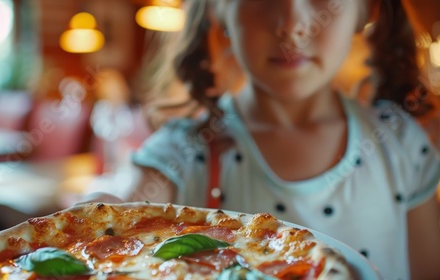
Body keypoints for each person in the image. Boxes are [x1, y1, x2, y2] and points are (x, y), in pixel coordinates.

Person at [82, 0, 440, 279]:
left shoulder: (401, 144)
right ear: (218, 9)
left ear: (366, 9)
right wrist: (95, 213)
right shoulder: (188, 149)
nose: (292, 25)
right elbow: (121, 211)